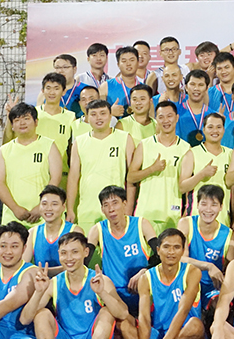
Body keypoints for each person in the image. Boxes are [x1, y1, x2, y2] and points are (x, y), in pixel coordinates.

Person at [20, 231, 129, 339]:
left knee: (107, 312)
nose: (69, 258)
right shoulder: (53, 283)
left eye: (75, 252)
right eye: (64, 253)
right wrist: (38, 292)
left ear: (86, 252)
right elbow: (25, 319)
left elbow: (123, 314)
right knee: (41, 314)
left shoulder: (100, 280)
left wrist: (102, 293)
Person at [123, 228, 205, 339]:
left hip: (183, 336)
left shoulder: (192, 272)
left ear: (183, 250)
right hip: (158, 334)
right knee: (124, 325)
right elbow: (144, 317)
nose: (171, 252)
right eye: (166, 247)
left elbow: (183, 310)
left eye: (176, 247)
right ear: (158, 250)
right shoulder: (146, 278)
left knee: (196, 326)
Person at [86, 185, 159, 339]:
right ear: (102, 209)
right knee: (121, 323)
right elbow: (82, 262)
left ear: (125, 203)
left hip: (142, 290)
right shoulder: (97, 230)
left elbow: (161, 255)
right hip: (114, 295)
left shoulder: (141, 224)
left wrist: (145, 271)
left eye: (115, 203)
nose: (111, 209)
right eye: (106, 205)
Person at [68, 99, 134, 233]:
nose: (98, 118)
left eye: (103, 113)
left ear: (110, 116)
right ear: (87, 117)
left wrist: (129, 208)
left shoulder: (125, 138)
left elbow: (132, 177)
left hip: (116, 210)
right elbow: (73, 178)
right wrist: (70, 209)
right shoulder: (79, 142)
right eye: (93, 114)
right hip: (87, 210)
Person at [0, 102, 61, 228]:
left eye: (26, 118)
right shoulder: (4, 151)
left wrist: (41, 207)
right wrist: (15, 208)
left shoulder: (49, 145)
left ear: (36, 122)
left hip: (44, 216)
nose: (22, 123)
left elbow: (55, 178)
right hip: (13, 217)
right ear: (12, 126)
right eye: (17, 120)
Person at [129, 100, 190, 234]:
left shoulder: (186, 148)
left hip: (172, 214)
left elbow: (186, 186)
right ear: (156, 119)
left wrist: (186, 210)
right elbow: (131, 177)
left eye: (169, 116)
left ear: (177, 118)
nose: (165, 120)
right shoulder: (145, 144)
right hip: (145, 213)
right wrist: (152, 169)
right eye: (161, 117)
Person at [178, 184, 234, 313]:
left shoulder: (228, 234)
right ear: (197, 205)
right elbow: (180, 258)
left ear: (221, 207)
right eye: (204, 204)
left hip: (212, 288)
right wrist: (208, 266)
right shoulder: (186, 224)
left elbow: (230, 269)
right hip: (187, 283)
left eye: (214, 204)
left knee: (222, 305)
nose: (208, 209)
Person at [179, 111, 231, 225]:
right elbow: (182, 187)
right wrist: (202, 174)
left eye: (218, 127)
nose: (215, 131)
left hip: (223, 217)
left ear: (223, 130)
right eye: (210, 127)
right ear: (204, 129)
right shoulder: (192, 153)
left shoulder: (230, 154)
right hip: (196, 216)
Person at [24, 185, 81, 276]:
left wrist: (43, 271)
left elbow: (77, 266)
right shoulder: (32, 233)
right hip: (40, 281)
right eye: (44, 204)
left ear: (63, 207)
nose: (48, 208)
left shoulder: (74, 231)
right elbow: (24, 266)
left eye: (54, 204)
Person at [32, 74, 76, 177]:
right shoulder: (33, 114)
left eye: (56, 88)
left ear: (64, 91)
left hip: (61, 172)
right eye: (48, 88)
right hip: (35, 172)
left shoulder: (71, 117)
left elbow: (72, 148)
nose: (52, 92)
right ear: (42, 91)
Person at [100, 46, 143, 119]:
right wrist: (110, 112)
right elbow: (98, 113)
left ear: (138, 62)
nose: (128, 64)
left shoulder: (144, 88)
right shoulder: (106, 86)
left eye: (132, 60)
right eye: (124, 61)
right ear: (118, 64)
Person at [177, 69, 216, 146]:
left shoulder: (213, 115)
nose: (196, 88)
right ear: (186, 87)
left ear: (206, 89)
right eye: (192, 84)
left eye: (200, 85)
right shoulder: (176, 112)